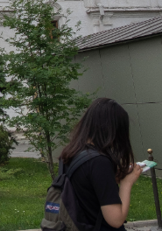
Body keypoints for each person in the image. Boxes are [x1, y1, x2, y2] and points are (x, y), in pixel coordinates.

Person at [59, 98, 142, 230]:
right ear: (113, 130)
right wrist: (127, 183)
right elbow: (115, 219)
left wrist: (111, 178)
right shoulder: (99, 162)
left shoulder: (71, 153)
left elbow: (85, 190)